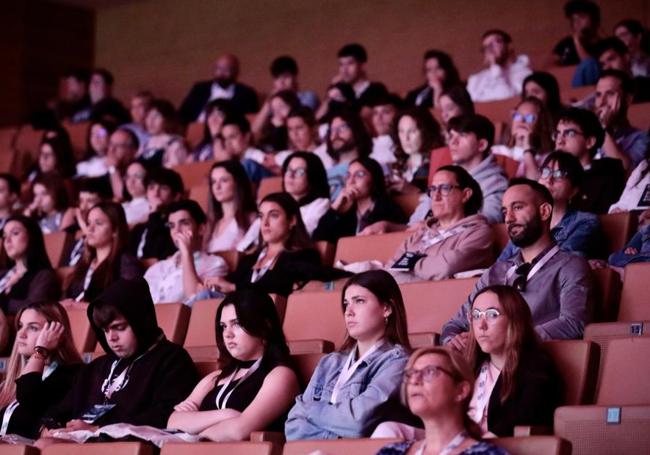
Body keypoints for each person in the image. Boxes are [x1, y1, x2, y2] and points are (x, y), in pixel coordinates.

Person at [38, 278, 198, 444]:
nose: (111, 338)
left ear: (141, 322)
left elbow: (165, 415)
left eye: (119, 328)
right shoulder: (96, 368)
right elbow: (59, 410)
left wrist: (99, 428)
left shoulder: (173, 360)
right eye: (105, 330)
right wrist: (49, 426)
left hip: (130, 444)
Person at [441, 179, 592, 346]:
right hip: (488, 365)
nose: (509, 218)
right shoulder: (495, 272)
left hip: (534, 364)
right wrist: (452, 340)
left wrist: (509, 340)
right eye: (505, 211)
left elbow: (574, 323)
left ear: (544, 211)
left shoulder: (570, 266)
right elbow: (454, 325)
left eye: (518, 207)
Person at [285, 270, 413, 440]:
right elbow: (292, 427)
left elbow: (358, 422)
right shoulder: (329, 362)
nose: (348, 312)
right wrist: (341, 435)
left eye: (359, 301)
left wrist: (308, 409)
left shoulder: (398, 362)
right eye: (346, 303)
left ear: (387, 308)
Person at [167, 290, 299, 440]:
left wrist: (194, 432)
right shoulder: (216, 377)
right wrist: (227, 414)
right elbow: (173, 422)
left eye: (236, 324)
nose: (227, 334)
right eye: (223, 326)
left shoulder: (281, 375)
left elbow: (239, 430)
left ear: (265, 326)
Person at [375, 347, 511, 455]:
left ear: (461, 390)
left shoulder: (487, 454)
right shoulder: (390, 452)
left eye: (430, 372)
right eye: (411, 374)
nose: (415, 381)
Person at [204, 193, 337, 297]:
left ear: (292, 220)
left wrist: (234, 288)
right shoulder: (248, 260)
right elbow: (229, 283)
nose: (265, 223)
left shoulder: (305, 255)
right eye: (261, 216)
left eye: (273, 215)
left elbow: (281, 284)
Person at [385, 166, 494, 283]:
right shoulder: (419, 234)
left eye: (445, 188)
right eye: (432, 189)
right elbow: (390, 274)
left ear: (466, 194)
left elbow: (447, 267)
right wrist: (430, 272)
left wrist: (413, 263)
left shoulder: (478, 233)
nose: (436, 196)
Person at [0, 301, 82, 439]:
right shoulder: (6, 385)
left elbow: (28, 395)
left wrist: (40, 351)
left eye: (33, 328)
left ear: (56, 332)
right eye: (20, 326)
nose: (21, 334)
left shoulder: (71, 375)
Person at [499, 151, 602, 260]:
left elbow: (562, 262)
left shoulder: (584, 222)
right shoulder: (525, 222)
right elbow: (499, 266)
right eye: (545, 172)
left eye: (559, 174)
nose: (549, 179)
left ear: (574, 190)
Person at [238, 152, 330, 251]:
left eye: (299, 172)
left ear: (313, 177)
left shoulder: (320, 204)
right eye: (288, 170)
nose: (291, 175)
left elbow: (302, 233)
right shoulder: (274, 204)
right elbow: (245, 243)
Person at [144, 200, 228, 306]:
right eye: (172, 226)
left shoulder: (214, 264)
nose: (177, 231)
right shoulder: (158, 268)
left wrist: (186, 252)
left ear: (201, 229)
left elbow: (197, 301)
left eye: (184, 223)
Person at [62, 201, 141, 308]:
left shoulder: (126, 261)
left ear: (115, 230)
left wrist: (82, 307)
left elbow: (128, 303)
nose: (90, 229)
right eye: (88, 223)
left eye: (98, 223)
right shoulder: (84, 263)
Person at [313, 157, 406, 244]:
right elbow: (319, 239)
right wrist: (335, 208)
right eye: (348, 175)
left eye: (359, 175)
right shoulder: (345, 213)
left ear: (374, 179)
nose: (351, 181)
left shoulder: (388, 209)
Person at [0, 216, 60, 349]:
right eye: (4, 236)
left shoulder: (43, 275)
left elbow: (34, 308)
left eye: (15, 233)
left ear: (32, 237)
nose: (7, 240)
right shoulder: (3, 274)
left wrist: (4, 302)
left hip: (18, 338)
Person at [553, 107, 625, 213]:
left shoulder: (607, 174)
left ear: (590, 142)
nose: (560, 141)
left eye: (569, 133)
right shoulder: (549, 176)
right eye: (558, 133)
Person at [592, 69, 649, 170]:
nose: (601, 102)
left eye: (610, 94)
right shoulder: (586, 135)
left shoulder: (641, 138)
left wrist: (604, 128)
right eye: (598, 95)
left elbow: (624, 171)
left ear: (628, 99)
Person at [179, 53, 259, 123]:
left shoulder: (246, 94)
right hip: (196, 129)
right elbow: (183, 114)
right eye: (218, 68)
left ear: (236, 72)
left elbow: (250, 120)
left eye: (227, 69)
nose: (221, 73)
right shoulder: (200, 89)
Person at [491, 97, 555, 179]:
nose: (521, 121)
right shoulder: (496, 151)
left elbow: (536, 183)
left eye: (530, 118)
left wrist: (527, 150)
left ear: (541, 125)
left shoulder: (547, 158)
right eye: (517, 116)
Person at [128, 167, 184, 260]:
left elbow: (153, 254)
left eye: (163, 188)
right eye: (151, 188)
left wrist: (154, 214)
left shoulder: (175, 226)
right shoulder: (138, 229)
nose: (156, 193)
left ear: (176, 196)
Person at [202, 160, 257, 253]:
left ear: (237, 183)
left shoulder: (252, 219)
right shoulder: (210, 225)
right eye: (213, 182)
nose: (217, 187)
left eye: (224, 180)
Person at [317, 110, 372, 199]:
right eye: (332, 130)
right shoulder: (323, 175)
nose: (335, 134)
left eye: (342, 127)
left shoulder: (374, 167)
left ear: (356, 130)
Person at [60, 177, 112, 268]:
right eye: (81, 201)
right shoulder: (73, 229)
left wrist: (84, 227)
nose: (83, 207)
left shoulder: (107, 232)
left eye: (90, 201)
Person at [467, 29, 532, 102]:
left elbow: (506, 97)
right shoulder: (476, 79)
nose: (489, 49)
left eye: (495, 42)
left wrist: (495, 67)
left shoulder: (524, 74)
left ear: (509, 46)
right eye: (486, 47)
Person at [388, 108, 443, 192]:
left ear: (425, 132)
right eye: (401, 131)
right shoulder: (399, 165)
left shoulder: (438, 162)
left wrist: (411, 190)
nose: (406, 138)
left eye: (412, 131)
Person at [215, 115, 274, 185]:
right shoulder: (235, 160)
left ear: (246, 137)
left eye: (232, 137)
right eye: (225, 139)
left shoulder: (256, 156)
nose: (228, 143)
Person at [596, 38, 650, 103]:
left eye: (611, 59)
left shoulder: (645, 86)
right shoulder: (600, 93)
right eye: (603, 64)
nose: (607, 67)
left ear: (626, 57)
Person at [334, 43, 387, 110]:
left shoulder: (377, 89)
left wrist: (343, 99)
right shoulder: (341, 89)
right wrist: (330, 94)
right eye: (341, 65)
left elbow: (366, 115)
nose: (344, 70)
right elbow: (318, 117)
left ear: (362, 66)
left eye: (350, 64)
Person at [138, 99, 188, 168]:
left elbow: (175, 169)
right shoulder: (145, 144)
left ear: (167, 119)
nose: (151, 121)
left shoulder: (175, 143)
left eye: (156, 116)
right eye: (148, 116)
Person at [551, 0, 602, 67]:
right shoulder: (566, 42)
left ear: (594, 19)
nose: (577, 22)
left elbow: (589, 67)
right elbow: (548, 66)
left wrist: (576, 41)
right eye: (574, 19)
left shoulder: (601, 45)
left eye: (582, 17)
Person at [369, 94, 402, 167]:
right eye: (375, 113)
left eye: (386, 112)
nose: (379, 117)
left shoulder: (405, 146)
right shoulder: (367, 147)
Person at [121, 161, 150, 225]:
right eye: (128, 177)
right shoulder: (122, 206)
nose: (131, 181)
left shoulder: (151, 207)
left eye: (138, 176)